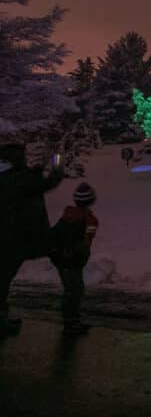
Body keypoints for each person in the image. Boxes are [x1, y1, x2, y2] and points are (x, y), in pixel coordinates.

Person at [0, 142, 64, 338]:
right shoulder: (22, 179)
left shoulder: (7, 178)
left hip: (6, 237)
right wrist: (58, 166)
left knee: (3, 279)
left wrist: (33, 173)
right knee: (2, 281)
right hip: (17, 238)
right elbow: (46, 183)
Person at [49, 182, 99, 336]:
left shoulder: (66, 216)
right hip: (73, 261)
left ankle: (71, 322)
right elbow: (86, 241)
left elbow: (54, 235)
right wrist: (74, 251)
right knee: (74, 292)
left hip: (61, 260)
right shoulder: (90, 220)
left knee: (71, 291)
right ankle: (71, 324)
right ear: (91, 200)